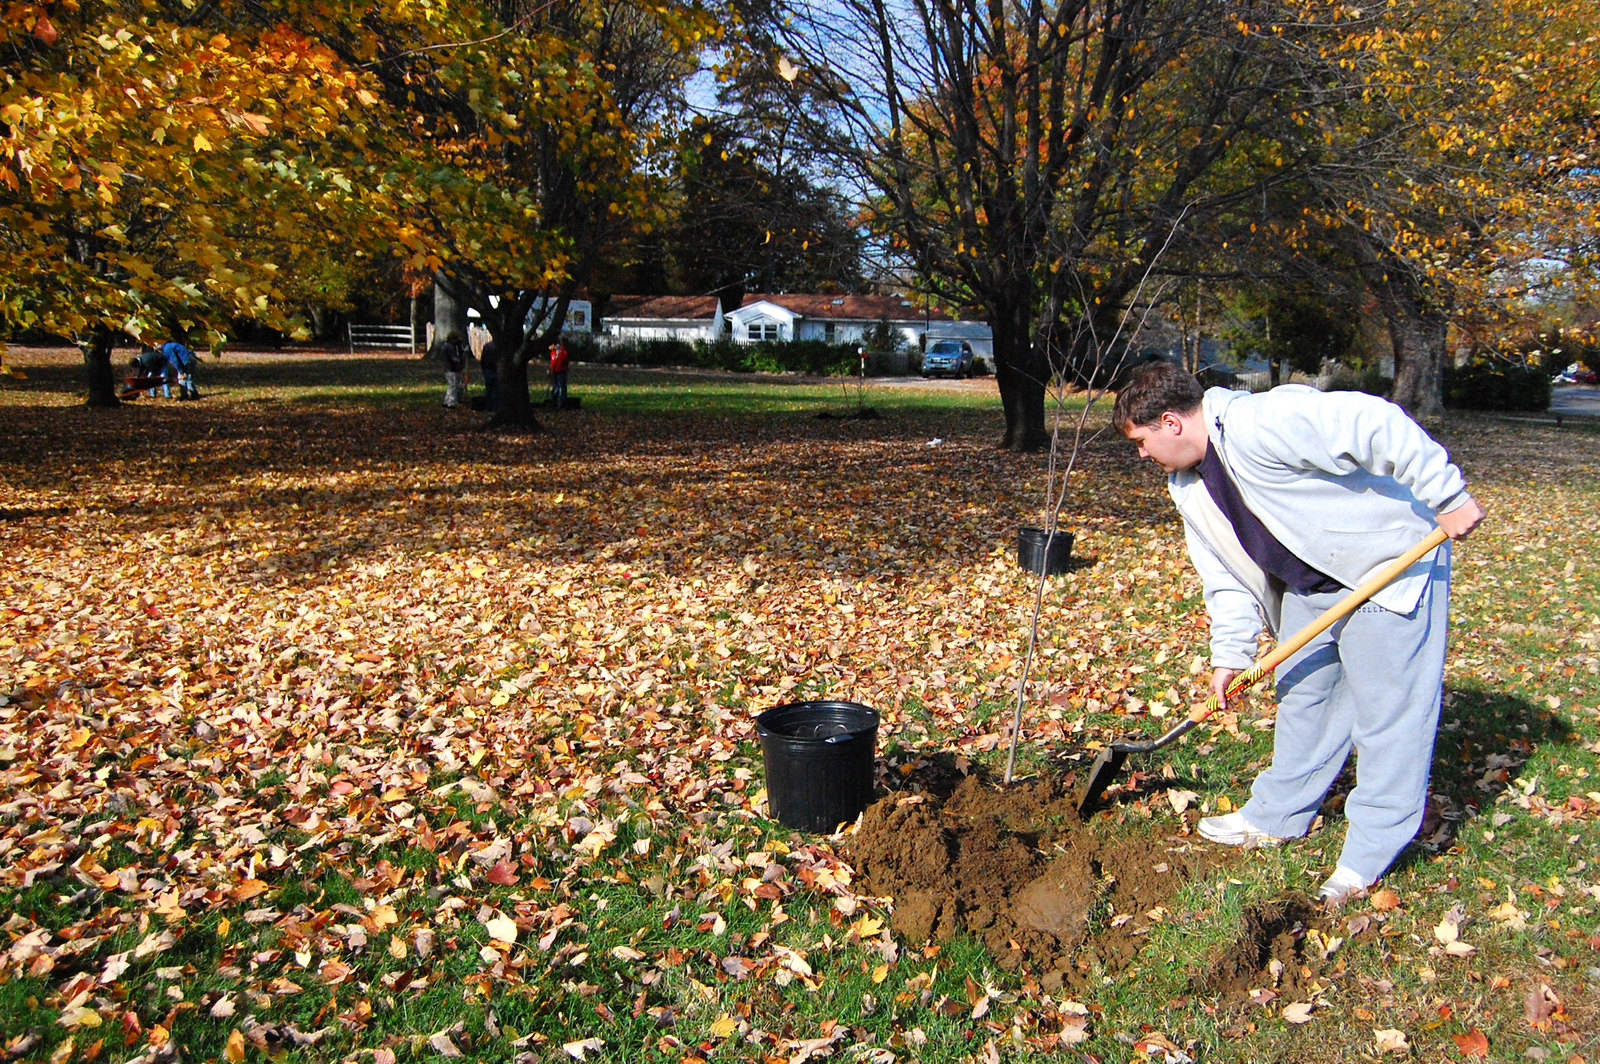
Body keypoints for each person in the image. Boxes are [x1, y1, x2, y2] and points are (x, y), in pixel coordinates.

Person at [1111, 361, 1486, 907]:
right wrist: (1230, 656)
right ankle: (1277, 814)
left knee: (1388, 719)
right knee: (1304, 698)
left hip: (1384, 569)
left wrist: (1447, 496)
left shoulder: (1262, 420)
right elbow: (1226, 575)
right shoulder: (1186, 485)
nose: (1141, 455)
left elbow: (1374, 421)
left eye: (1141, 442)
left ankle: (1368, 853)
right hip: (1310, 583)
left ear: (1170, 422)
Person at [433, 330, 466, 408]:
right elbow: (454, 358)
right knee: (453, 386)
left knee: (451, 385)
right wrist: (459, 364)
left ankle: (446, 400)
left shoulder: (448, 346)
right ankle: (451, 402)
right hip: (451, 369)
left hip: (448, 369)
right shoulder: (449, 347)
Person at [478, 337, 500, 410]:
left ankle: (488, 406)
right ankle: (495, 407)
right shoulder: (500, 347)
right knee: (496, 390)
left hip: (488, 369)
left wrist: (484, 369)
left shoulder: (487, 346)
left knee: (488, 389)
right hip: (496, 370)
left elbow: (483, 359)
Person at [548, 338, 569, 407]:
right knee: (555, 386)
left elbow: (563, 359)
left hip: (561, 371)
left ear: (553, 345)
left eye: (550, 345)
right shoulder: (553, 352)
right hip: (555, 371)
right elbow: (553, 362)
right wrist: (551, 370)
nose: (548, 347)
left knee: (561, 386)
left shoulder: (560, 350)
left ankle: (563, 401)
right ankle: (554, 400)